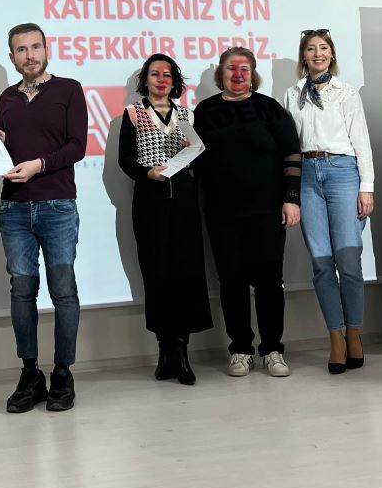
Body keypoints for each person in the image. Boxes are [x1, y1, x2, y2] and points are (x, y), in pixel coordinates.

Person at [193, 48, 301, 378]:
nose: (238, 74)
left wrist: (291, 199)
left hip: (267, 211)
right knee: (232, 281)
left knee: (270, 282)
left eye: (244, 68)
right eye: (230, 68)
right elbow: (194, 160)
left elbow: (292, 154)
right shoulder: (205, 112)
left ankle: (272, 349)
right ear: (220, 74)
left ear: (253, 73)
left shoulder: (269, 108)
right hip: (222, 212)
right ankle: (240, 349)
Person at [0, 23, 88, 413]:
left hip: (57, 205)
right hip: (14, 207)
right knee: (21, 290)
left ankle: (63, 373)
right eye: (21, 49)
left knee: (63, 290)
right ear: (12, 56)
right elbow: (6, 151)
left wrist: (38, 164)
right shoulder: (6, 97)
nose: (29, 55)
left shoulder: (69, 89)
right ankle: (30, 373)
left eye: (36, 47)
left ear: (47, 50)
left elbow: (77, 146)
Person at [283, 30, 374, 374]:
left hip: (342, 172)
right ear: (303, 56)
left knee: (347, 261)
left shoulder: (346, 93)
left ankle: (354, 334)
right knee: (322, 264)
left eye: (323, 48)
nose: (317, 53)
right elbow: (290, 144)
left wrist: (367, 187)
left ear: (332, 55)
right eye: (310, 49)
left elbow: (361, 141)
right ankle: (335, 338)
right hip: (307, 174)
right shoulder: (292, 95)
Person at [118, 55, 213, 385]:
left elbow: (198, 156)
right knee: (157, 274)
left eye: (167, 74)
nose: (161, 79)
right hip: (151, 201)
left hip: (184, 201)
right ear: (145, 80)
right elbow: (125, 160)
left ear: (175, 81)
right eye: (155, 74)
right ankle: (164, 352)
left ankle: (183, 352)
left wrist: (195, 152)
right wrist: (147, 173)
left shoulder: (186, 114)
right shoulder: (133, 114)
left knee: (186, 274)